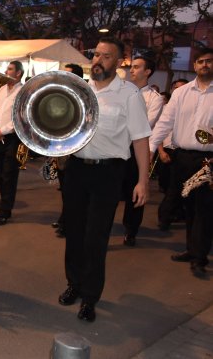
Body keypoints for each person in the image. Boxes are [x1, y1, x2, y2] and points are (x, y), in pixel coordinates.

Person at [59, 36, 150, 322]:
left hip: (108, 173)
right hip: (76, 170)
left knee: (95, 237)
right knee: (73, 232)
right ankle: (73, 284)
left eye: (105, 56)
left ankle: (90, 296)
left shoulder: (129, 94)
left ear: (118, 61)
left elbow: (140, 140)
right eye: (95, 55)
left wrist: (143, 181)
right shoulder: (79, 90)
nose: (97, 60)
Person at [149, 47, 213, 276]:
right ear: (194, 66)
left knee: (205, 209)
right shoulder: (181, 92)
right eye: (200, 61)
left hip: (208, 160)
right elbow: (165, 122)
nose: (204, 65)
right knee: (188, 208)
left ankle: (200, 257)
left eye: (209, 61)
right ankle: (191, 249)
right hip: (183, 157)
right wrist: (149, 150)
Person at [121, 56, 164, 246]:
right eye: (132, 67)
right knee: (111, 188)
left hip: (136, 148)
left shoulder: (154, 98)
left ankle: (131, 230)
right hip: (115, 147)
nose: (132, 70)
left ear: (148, 72)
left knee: (135, 190)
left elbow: (145, 125)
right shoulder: (120, 92)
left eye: (137, 67)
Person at [0, 60, 24, 225]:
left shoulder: (23, 92)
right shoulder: (1, 89)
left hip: (12, 138)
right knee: (0, 174)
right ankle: (4, 207)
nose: (6, 71)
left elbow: (20, 118)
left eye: (9, 69)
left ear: (18, 73)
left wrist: (3, 131)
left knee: (9, 175)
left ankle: (5, 211)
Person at [52, 63, 84, 238]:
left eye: (67, 74)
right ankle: (65, 219)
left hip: (77, 148)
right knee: (65, 188)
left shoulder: (81, 94)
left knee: (72, 191)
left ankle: (68, 222)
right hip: (62, 147)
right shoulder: (61, 93)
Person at [157, 79, 189, 230]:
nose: (179, 91)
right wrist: (160, 151)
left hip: (186, 152)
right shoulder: (168, 108)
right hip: (169, 151)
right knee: (171, 187)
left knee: (184, 189)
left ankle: (176, 214)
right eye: (176, 88)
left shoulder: (192, 108)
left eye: (182, 88)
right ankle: (165, 217)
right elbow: (160, 130)